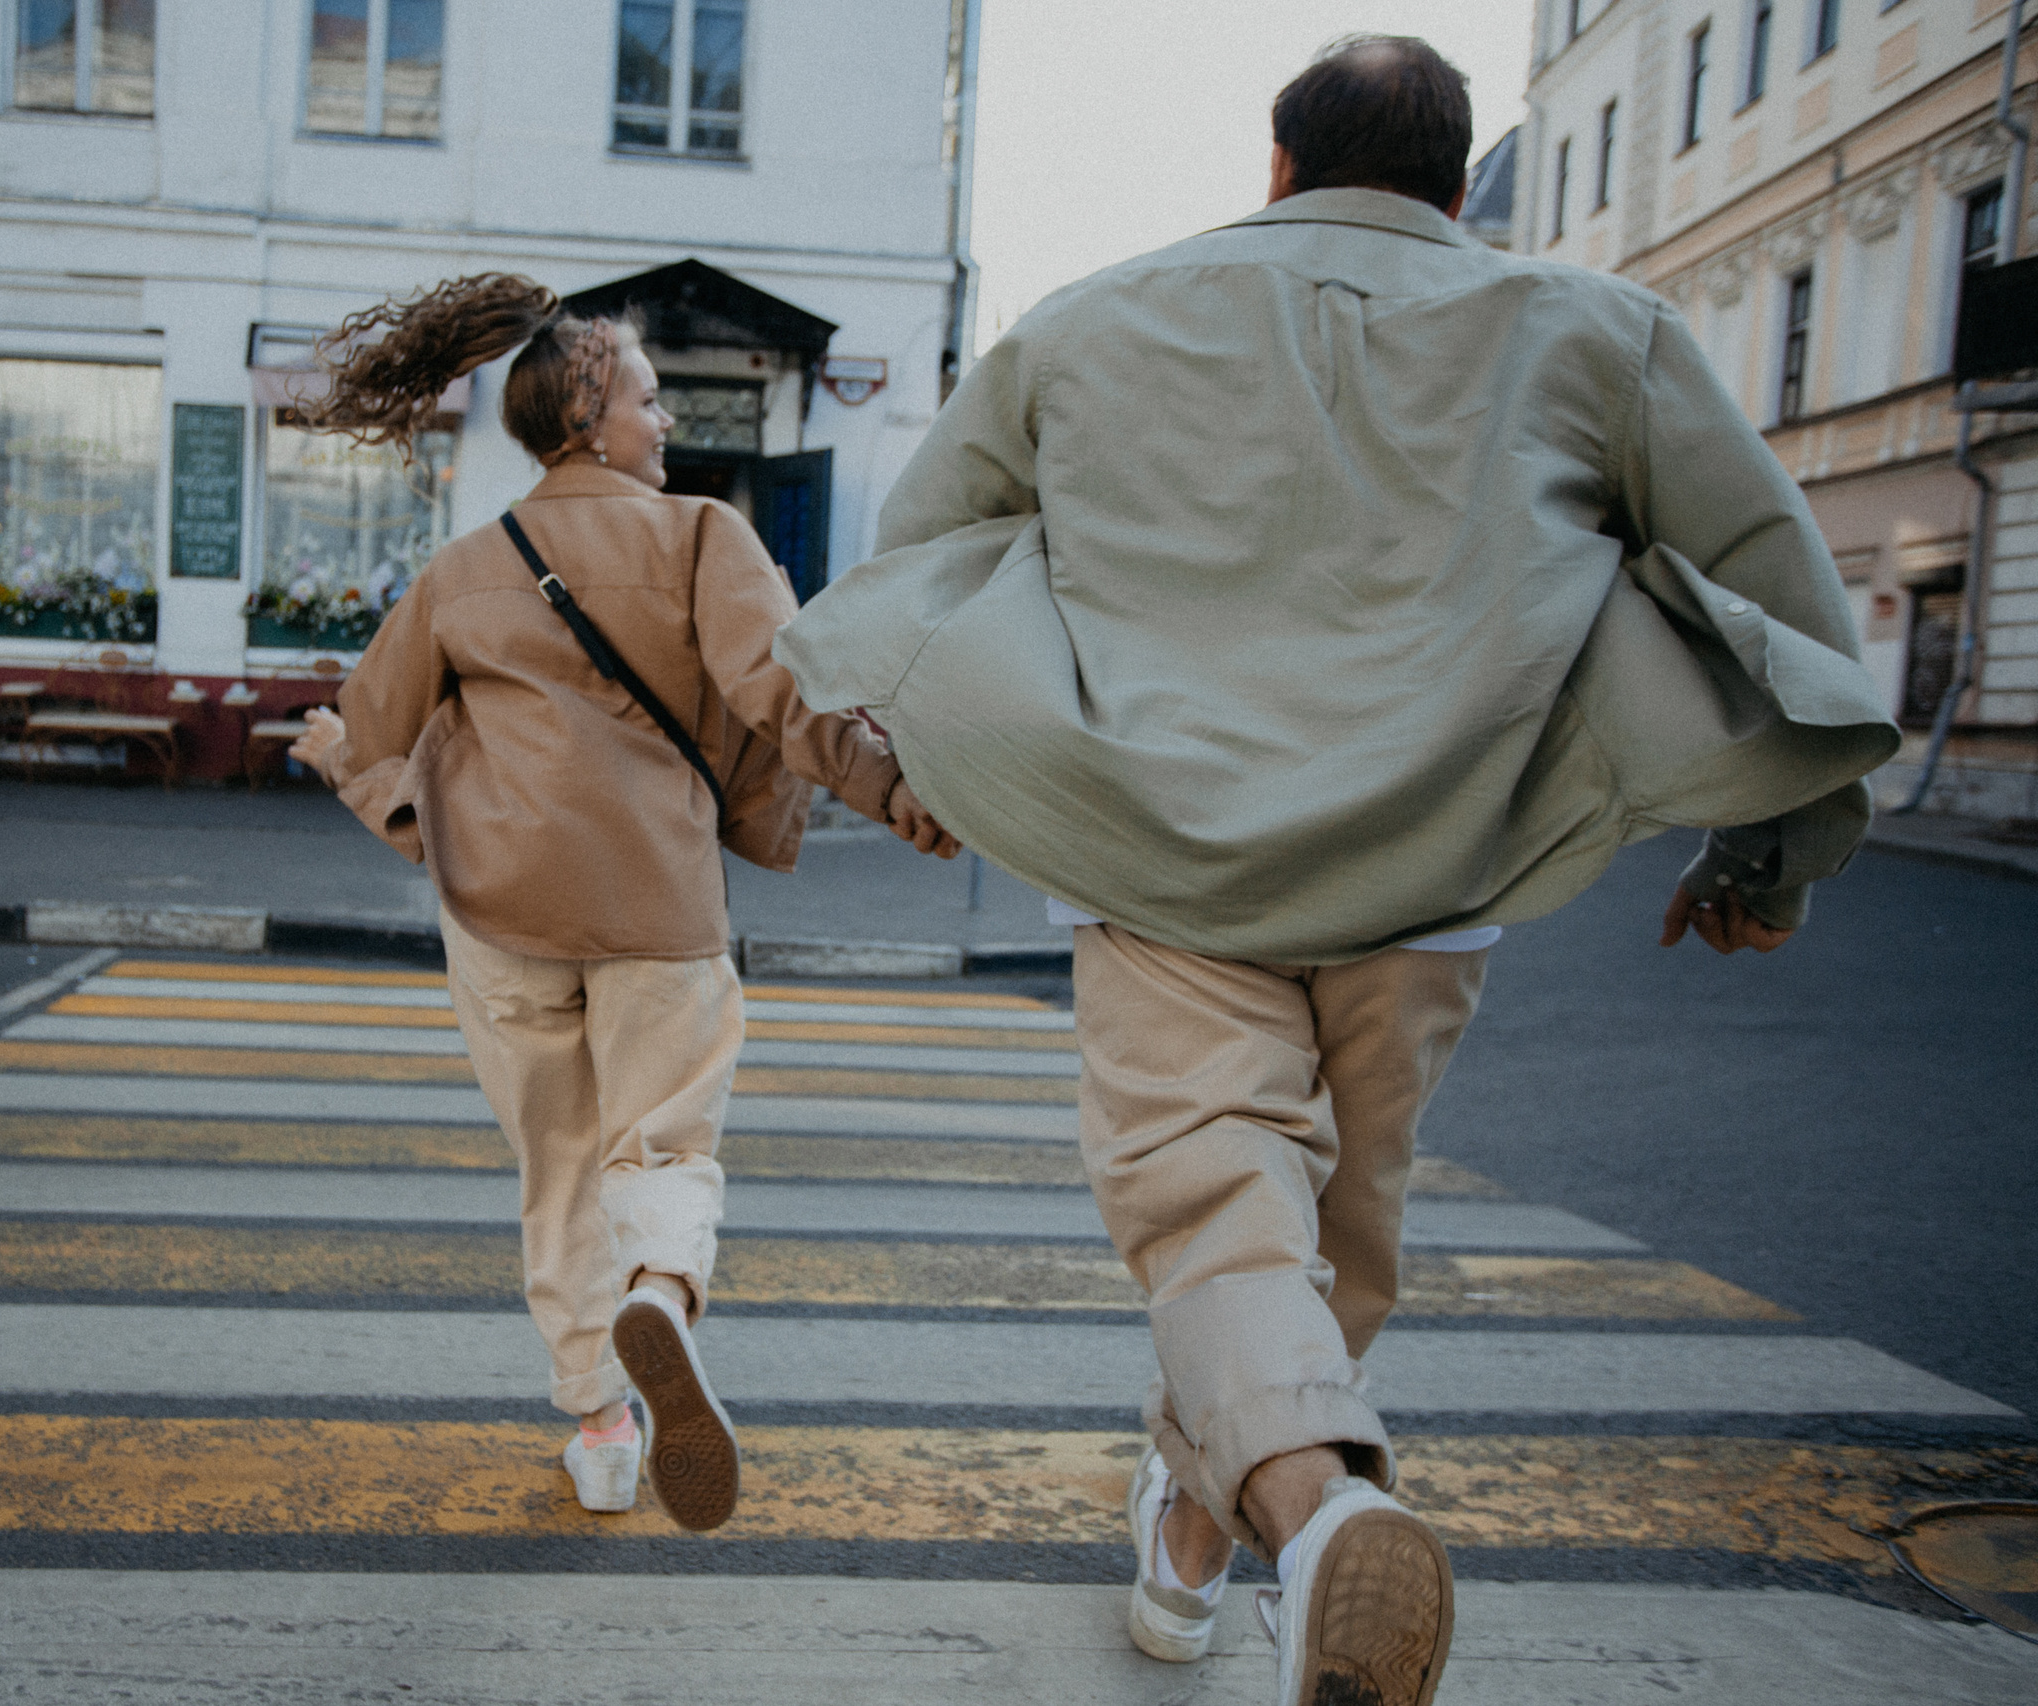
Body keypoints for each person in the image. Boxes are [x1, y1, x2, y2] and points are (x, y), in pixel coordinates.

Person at [774, 36, 1896, 1706]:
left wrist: (930, 771)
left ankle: (1309, 1517)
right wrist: (1769, 855)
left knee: (1219, 1220)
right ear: (1456, 191)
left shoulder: (1087, 322)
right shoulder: (1597, 332)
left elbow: (920, 568)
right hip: (1432, 870)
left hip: (1156, 856)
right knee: (1332, 1250)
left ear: (1279, 166)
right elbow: (1780, 603)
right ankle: (1192, 1536)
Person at [287, 274, 960, 1532]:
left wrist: (366, 784)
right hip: (655, 895)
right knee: (663, 1138)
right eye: (650, 400)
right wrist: (903, 797)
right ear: (589, 413)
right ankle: (661, 1286)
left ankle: (600, 1426)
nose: (667, 423)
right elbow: (788, 694)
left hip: (498, 914)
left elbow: (369, 732)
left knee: (554, 1166)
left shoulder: (461, 569)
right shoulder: (702, 535)